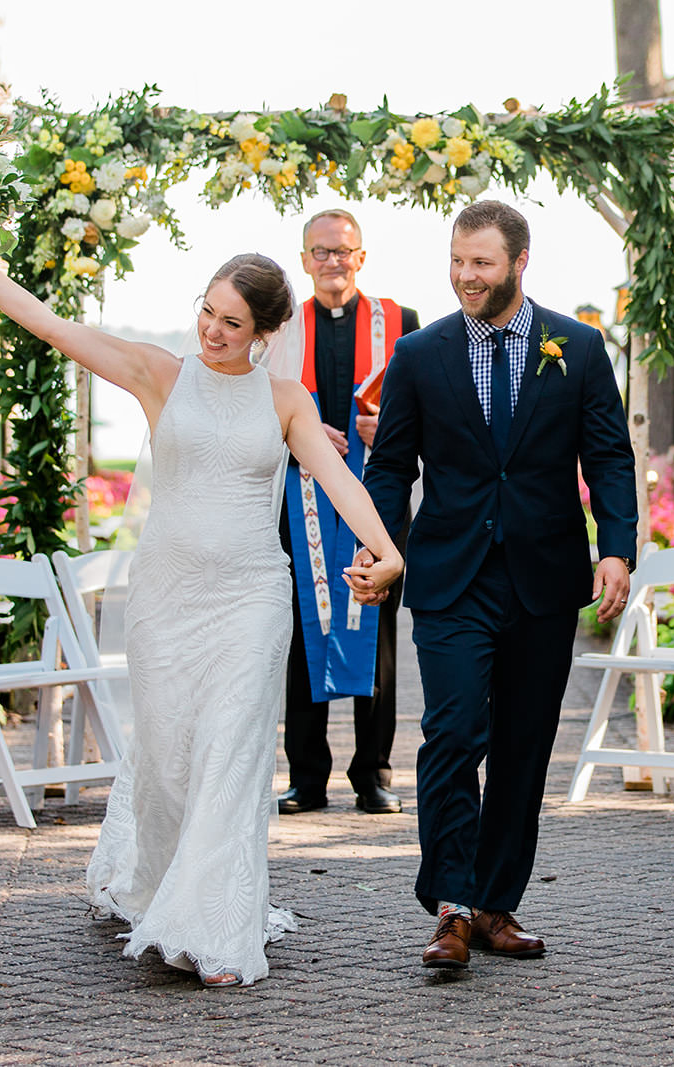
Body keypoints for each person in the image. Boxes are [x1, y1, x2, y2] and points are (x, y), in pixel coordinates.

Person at [0, 219, 404, 988]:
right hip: (167, 599)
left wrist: (387, 550)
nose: (213, 331)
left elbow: (337, 479)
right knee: (171, 758)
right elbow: (50, 323)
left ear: (265, 331)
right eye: (208, 312)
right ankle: (159, 880)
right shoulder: (159, 373)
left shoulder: (286, 400)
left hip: (253, 594)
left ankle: (212, 927)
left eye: (233, 322)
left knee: (231, 749)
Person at [357, 201, 636, 970]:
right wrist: (380, 546)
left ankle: (493, 904)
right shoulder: (419, 354)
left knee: (522, 745)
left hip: (544, 580)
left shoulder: (577, 349)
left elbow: (609, 456)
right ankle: (449, 905)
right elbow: (390, 467)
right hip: (450, 578)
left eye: (480, 262)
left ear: (519, 261)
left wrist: (616, 549)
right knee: (452, 733)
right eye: (457, 260)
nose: (465, 276)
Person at [263, 209, 419, 816]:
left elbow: (434, 406)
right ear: (304, 260)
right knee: (305, 624)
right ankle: (306, 775)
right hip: (299, 500)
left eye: (344, 251)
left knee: (375, 630)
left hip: (374, 495)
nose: (334, 261)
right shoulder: (278, 329)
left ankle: (373, 774)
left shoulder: (402, 323)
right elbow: (252, 407)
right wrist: (290, 435)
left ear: (362, 257)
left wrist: (396, 428)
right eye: (321, 252)